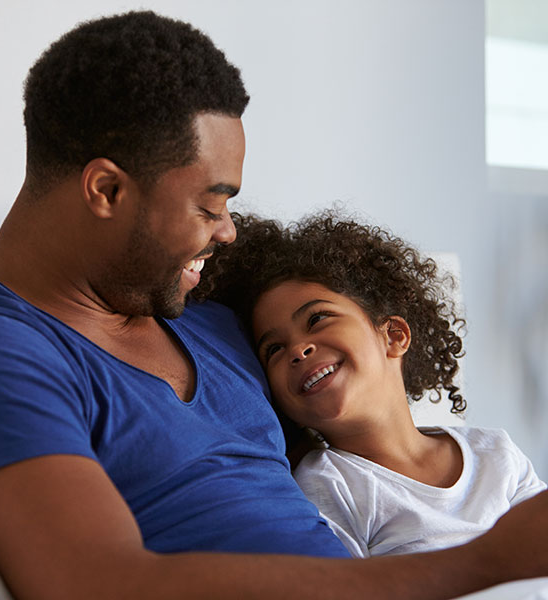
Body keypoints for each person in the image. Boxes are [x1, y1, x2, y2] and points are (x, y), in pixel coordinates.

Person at [0, 10, 547, 600]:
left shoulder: (217, 315)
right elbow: (96, 582)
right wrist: (482, 561)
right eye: (210, 206)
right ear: (107, 190)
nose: (228, 231)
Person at [195, 212, 547, 558]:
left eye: (317, 319)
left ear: (394, 335)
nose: (298, 350)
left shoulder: (495, 452)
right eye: (274, 349)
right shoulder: (330, 484)